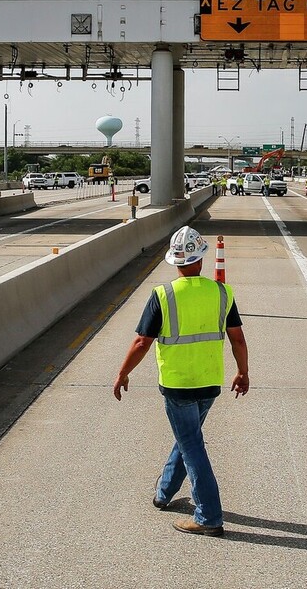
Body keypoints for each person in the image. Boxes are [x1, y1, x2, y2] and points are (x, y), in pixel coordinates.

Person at [113, 226, 249, 537]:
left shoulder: (163, 295)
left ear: (175, 262)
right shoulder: (222, 292)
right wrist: (242, 372)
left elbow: (141, 343)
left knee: (192, 446)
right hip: (209, 383)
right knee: (188, 438)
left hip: (178, 385)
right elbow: (237, 339)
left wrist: (123, 373)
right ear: (201, 259)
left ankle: (208, 517)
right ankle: (164, 493)